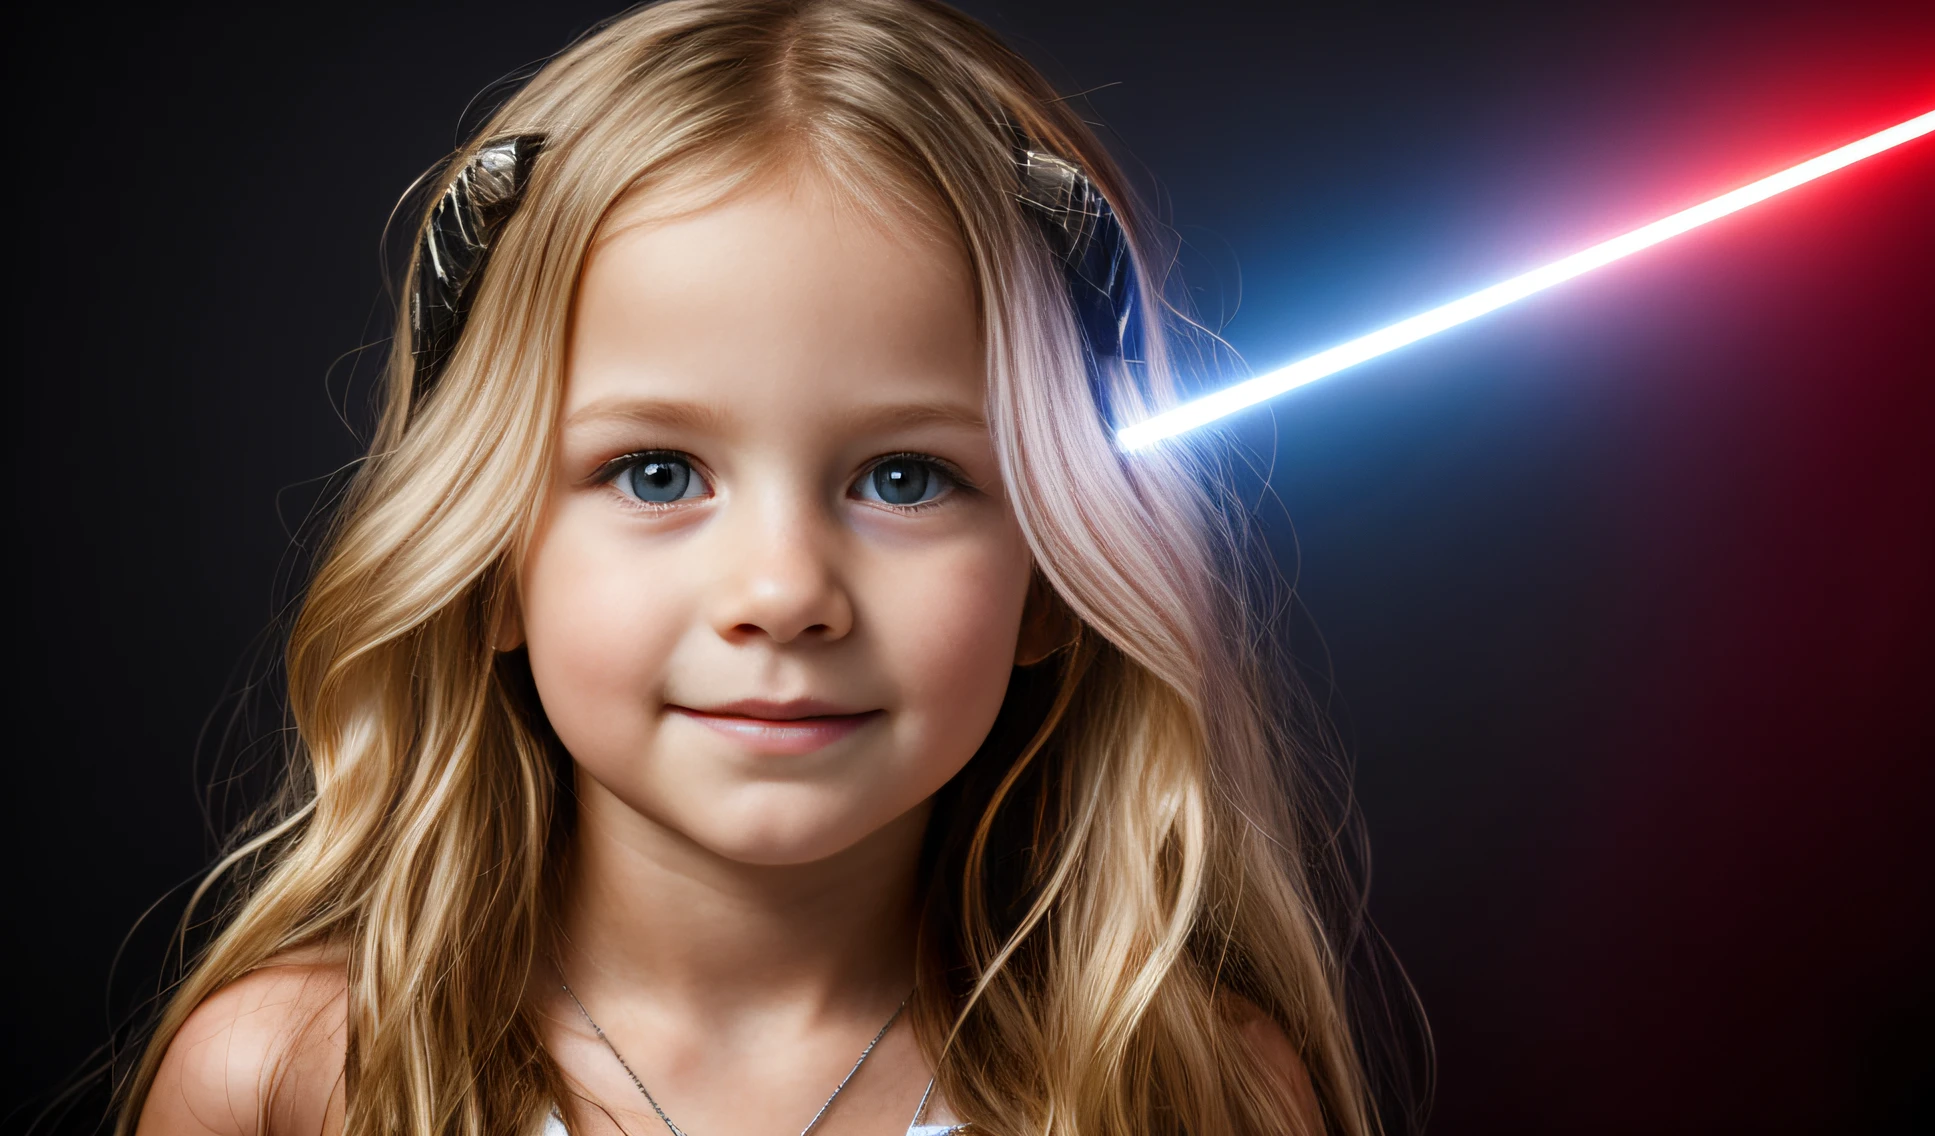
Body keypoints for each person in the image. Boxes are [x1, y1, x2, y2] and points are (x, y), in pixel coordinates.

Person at [125, 2, 1411, 1132]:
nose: (784, 591)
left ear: (1056, 573)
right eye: (655, 472)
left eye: (905, 477)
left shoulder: (1184, 1086)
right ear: (489, 558)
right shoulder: (290, 1081)